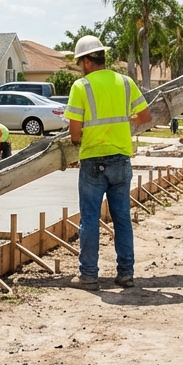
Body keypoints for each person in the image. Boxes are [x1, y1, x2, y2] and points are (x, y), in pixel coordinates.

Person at [63, 35, 153, 291]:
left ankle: (89, 275)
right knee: (122, 218)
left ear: (86, 62)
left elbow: (75, 132)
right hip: (120, 159)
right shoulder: (125, 82)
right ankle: (126, 274)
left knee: (90, 218)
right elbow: (145, 116)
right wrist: (124, 123)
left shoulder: (81, 86)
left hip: (92, 160)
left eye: (80, 63)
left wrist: (80, 138)